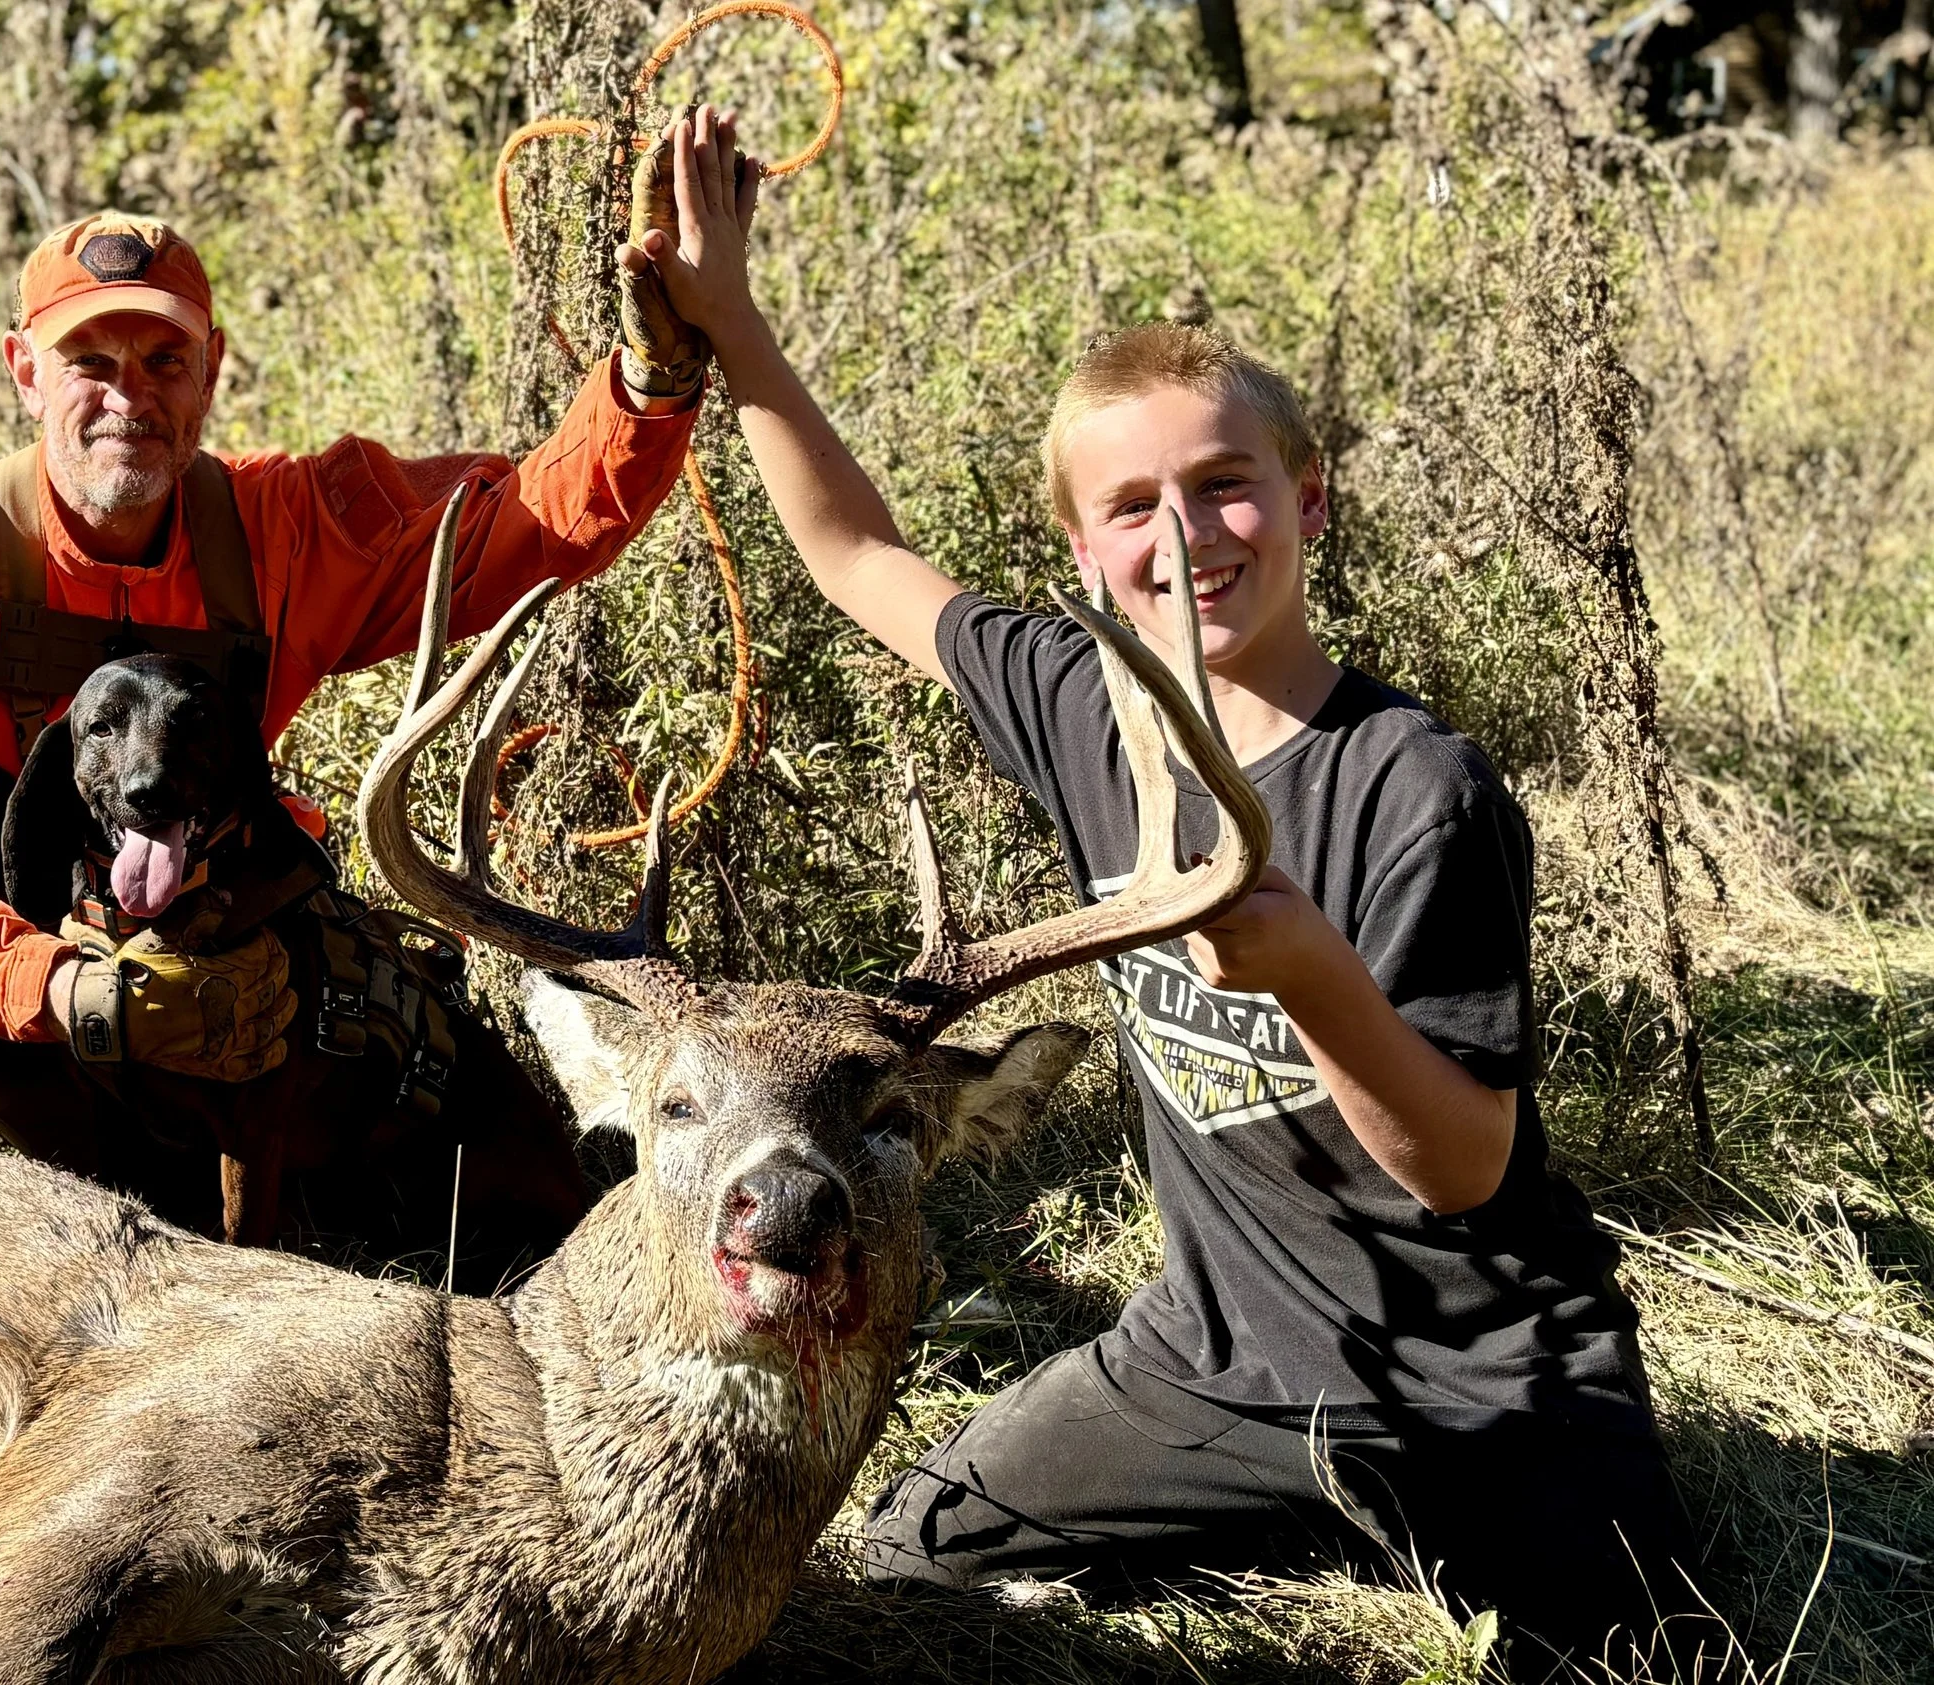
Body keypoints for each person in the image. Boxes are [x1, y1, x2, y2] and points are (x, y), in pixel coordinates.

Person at [630, 108, 1712, 1675]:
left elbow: (1468, 1169)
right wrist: (730, 320)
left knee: (1644, 1657)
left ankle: (1430, 1518)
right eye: (1130, 506)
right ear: (1081, 546)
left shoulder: (1420, 790)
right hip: (1215, 1362)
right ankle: (1291, 1503)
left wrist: (1304, 970)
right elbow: (855, 550)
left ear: (1308, 500)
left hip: (1485, 1375)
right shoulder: (1084, 705)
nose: (1184, 535)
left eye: (1225, 485)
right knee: (911, 1545)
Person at [0, 208, 709, 1237]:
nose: (126, 395)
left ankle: (260, 1233)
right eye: (89, 362)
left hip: (196, 979)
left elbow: (524, 524)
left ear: (211, 372)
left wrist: (648, 384)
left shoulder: (287, 526)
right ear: (23, 373)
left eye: (162, 362)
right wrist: (72, 992)